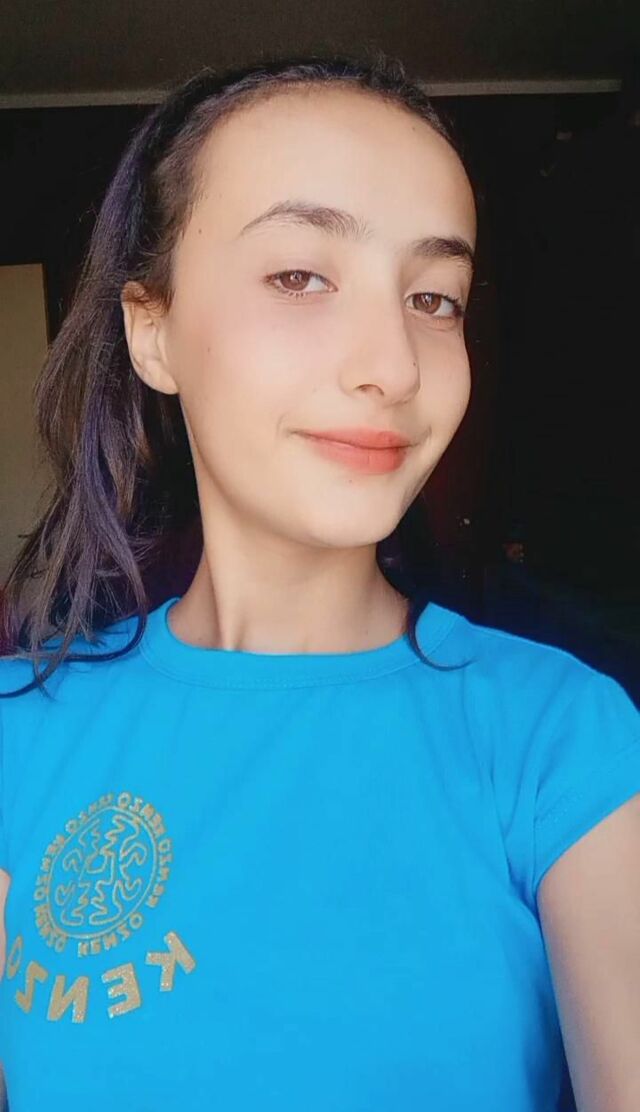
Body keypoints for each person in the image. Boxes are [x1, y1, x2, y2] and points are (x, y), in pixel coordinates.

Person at [0, 52, 638, 1112]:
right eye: (300, 277)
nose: (393, 364)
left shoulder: (560, 738)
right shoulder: (20, 734)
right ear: (151, 330)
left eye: (433, 297)